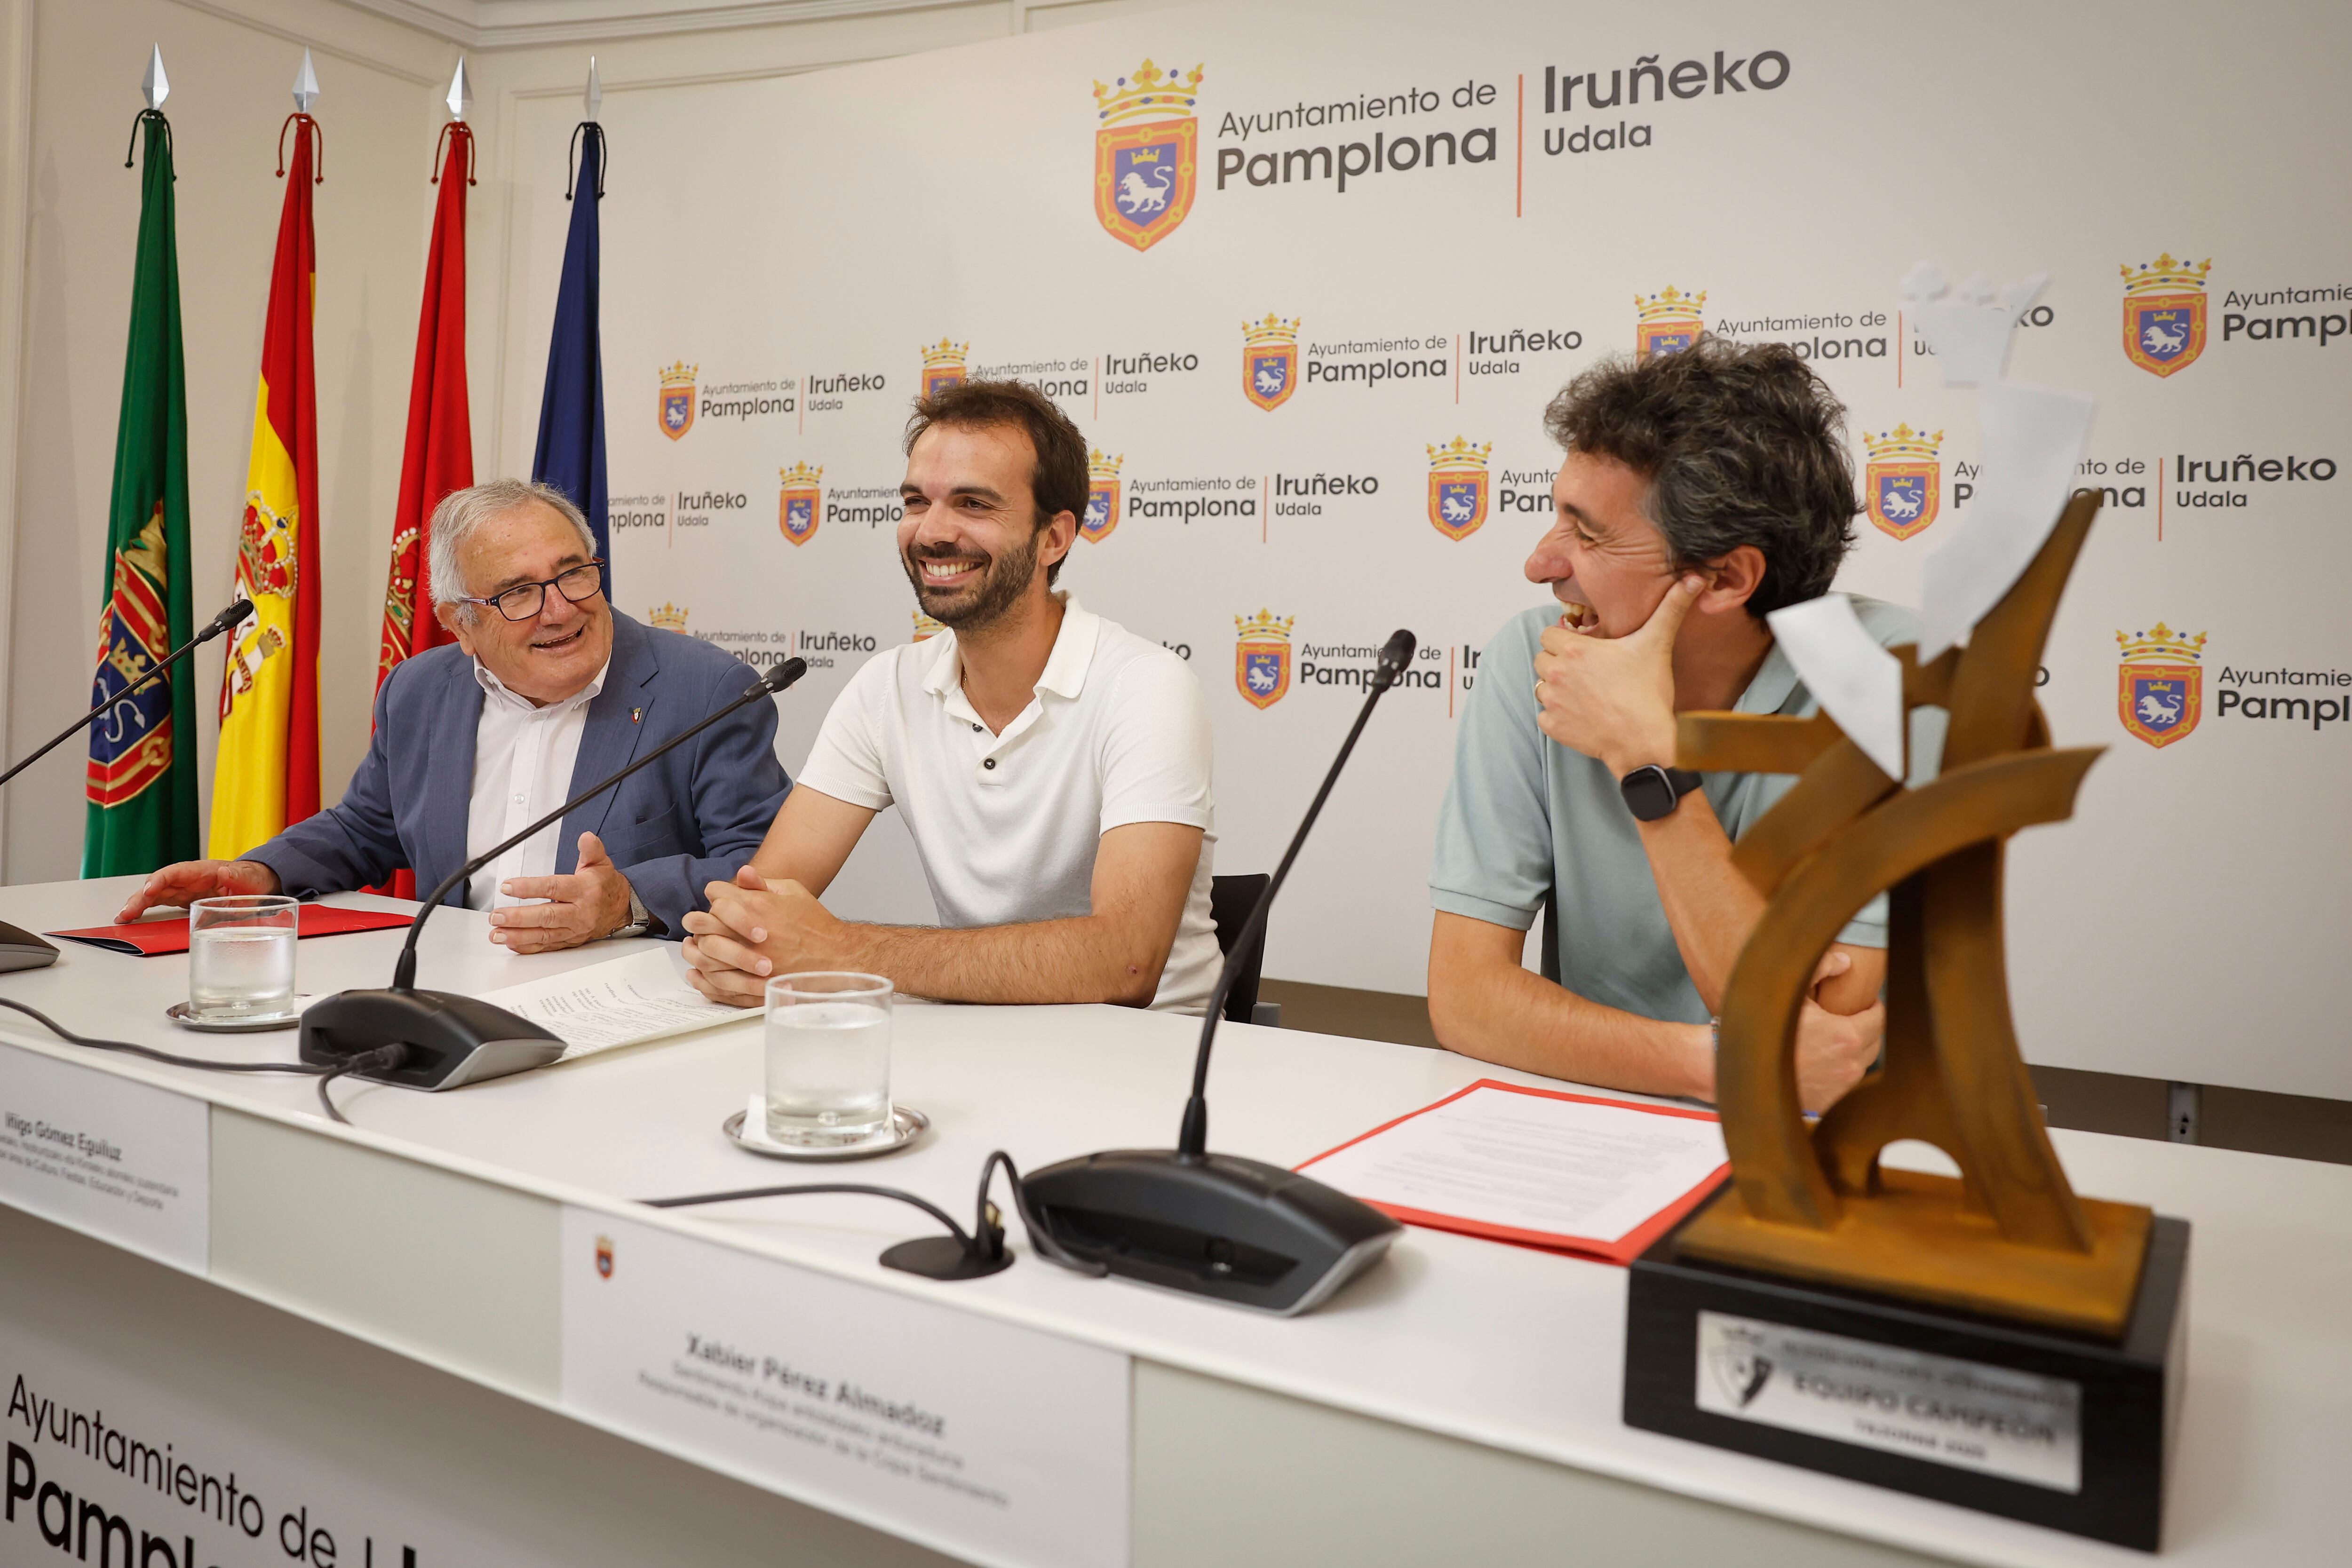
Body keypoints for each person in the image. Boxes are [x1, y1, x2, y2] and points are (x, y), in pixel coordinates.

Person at [1428, 337, 1925, 1112]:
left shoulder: (1896, 683)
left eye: (1588, 534)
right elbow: (1465, 996)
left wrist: (1644, 758)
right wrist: (1714, 1063)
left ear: (1725, 578)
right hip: (1604, 1121)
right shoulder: (1535, 655)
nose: (1541, 564)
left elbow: (1814, 1032)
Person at [679, 379, 1222, 1014]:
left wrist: (841, 949)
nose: (932, 532)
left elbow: (1125, 961)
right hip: (973, 1040)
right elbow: (760, 900)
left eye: (973, 504)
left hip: (1157, 1052)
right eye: (917, 501)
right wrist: (737, 946)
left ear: (1054, 538)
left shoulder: (1146, 686)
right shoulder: (885, 687)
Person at [115, 479, 790, 952]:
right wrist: (260, 874)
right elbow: (367, 826)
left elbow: (767, 866)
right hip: (449, 988)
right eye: (519, 593)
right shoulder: (418, 691)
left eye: (573, 573)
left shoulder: (707, 691)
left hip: (622, 1003)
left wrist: (628, 901)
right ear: (460, 623)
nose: (560, 609)